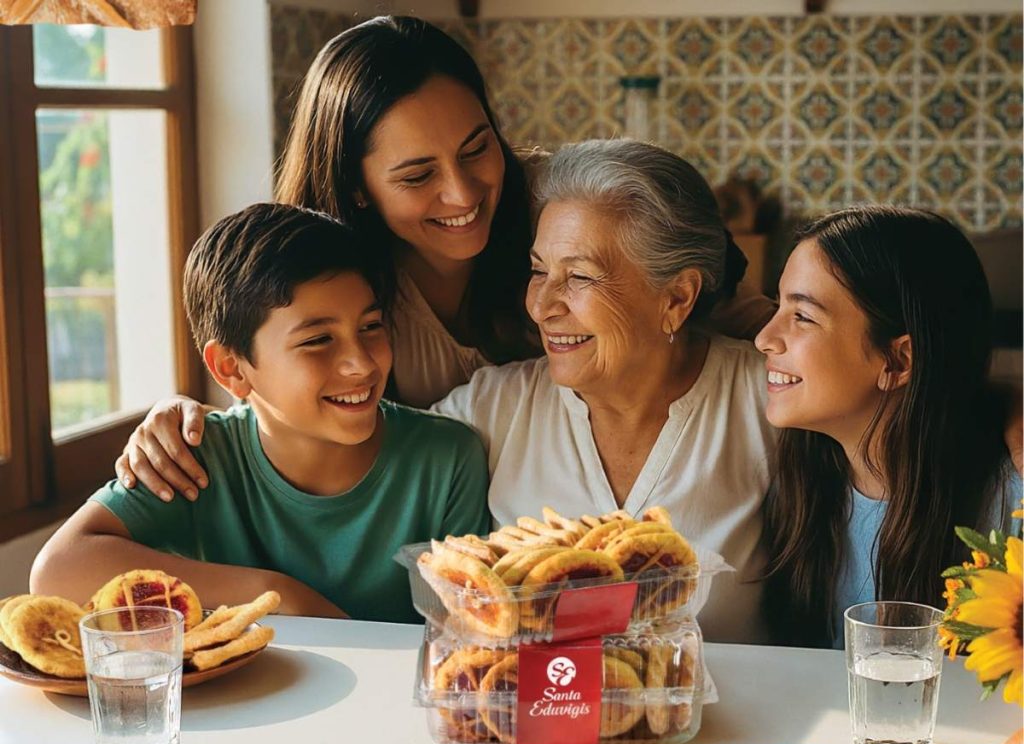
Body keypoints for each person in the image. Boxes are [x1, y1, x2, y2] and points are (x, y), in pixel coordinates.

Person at [112, 15, 775, 504]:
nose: (462, 193)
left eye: (476, 147)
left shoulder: (552, 202)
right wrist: (183, 414)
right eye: (416, 175)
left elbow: (717, 299)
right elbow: (274, 393)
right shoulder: (338, 286)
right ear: (355, 190)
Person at [30, 204, 491, 622]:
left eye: (371, 326)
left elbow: (462, 639)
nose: (363, 363)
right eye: (317, 340)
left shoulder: (447, 459)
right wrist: (274, 593)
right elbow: (57, 570)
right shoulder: (194, 458)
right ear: (231, 369)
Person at [430, 139, 776, 643]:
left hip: (739, 718)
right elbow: (365, 454)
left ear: (677, 297)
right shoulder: (494, 408)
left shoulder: (763, 401)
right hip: (537, 715)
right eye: (538, 270)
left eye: (580, 276)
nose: (543, 305)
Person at [754, 206, 1023, 648]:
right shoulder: (798, 484)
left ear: (898, 360)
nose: (764, 337)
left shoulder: (1013, 505)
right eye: (777, 306)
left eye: (802, 316)